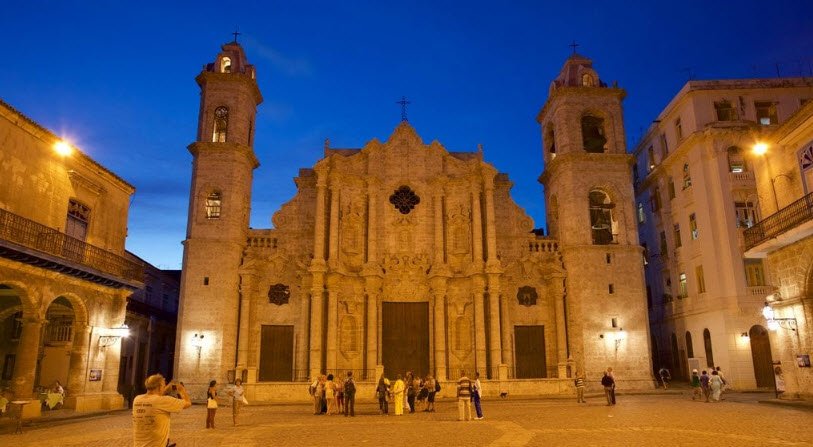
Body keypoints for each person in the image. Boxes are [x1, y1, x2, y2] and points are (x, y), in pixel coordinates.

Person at [132, 374, 191, 447]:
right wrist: (182, 390)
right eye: (163, 386)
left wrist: (165, 389)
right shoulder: (163, 401)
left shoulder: (137, 399)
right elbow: (188, 403)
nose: (164, 387)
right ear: (159, 387)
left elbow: (155, 398)